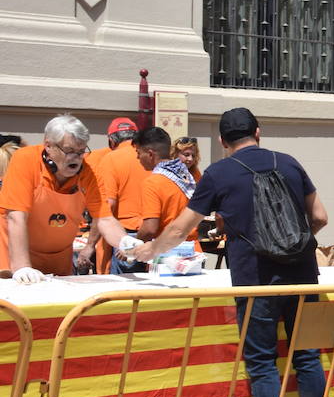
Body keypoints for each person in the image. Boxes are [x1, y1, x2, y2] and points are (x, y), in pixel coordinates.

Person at [133, 108, 330, 397]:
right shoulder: (289, 163)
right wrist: (295, 245)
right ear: (258, 131)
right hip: (303, 274)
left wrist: (148, 251)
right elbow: (319, 216)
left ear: (223, 141)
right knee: (306, 356)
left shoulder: (219, 173)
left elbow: (179, 230)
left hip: (256, 280)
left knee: (261, 362)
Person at [0, 115, 126, 281]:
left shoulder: (88, 171)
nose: (76, 158)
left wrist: (125, 242)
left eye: (81, 152)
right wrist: (22, 266)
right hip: (16, 253)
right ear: (49, 146)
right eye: (69, 151)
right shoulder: (25, 159)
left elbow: (104, 219)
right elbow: (17, 216)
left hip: (58, 257)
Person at [97, 122, 160, 274]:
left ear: (111, 141)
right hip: (156, 234)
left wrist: (92, 240)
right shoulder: (153, 157)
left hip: (126, 237)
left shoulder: (110, 159)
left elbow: (108, 205)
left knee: (123, 293)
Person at [137, 128, 198, 246]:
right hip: (193, 249)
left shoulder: (152, 182)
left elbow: (150, 229)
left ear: (150, 154)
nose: (137, 158)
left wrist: (133, 245)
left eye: (138, 153)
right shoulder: (186, 176)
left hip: (169, 255)